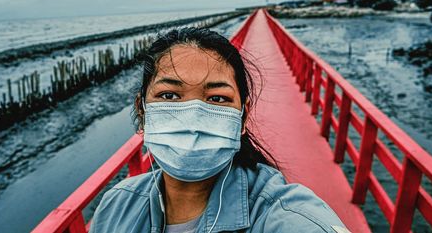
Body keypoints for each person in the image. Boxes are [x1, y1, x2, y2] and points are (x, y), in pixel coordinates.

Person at [89, 27, 350, 233]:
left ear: (243, 117)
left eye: (216, 98)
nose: (192, 116)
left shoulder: (289, 217)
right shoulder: (116, 205)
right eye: (169, 95)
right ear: (142, 109)